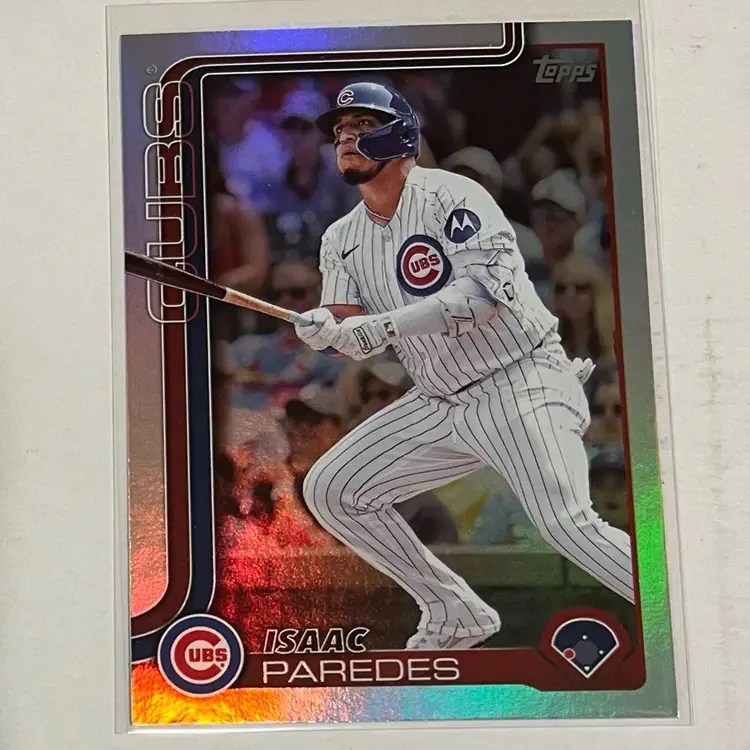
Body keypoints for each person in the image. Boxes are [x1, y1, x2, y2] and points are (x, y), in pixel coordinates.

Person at [293, 81, 634, 651]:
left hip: (519, 378)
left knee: (566, 524)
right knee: (333, 489)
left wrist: (381, 326)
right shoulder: (340, 238)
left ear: (401, 135)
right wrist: (324, 331)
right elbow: (350, 332)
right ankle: (455, 610)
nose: (345, 137)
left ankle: (681, 609)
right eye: (340, 131)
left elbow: (481, 296)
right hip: (439, 398)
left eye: (362, 126)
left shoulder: (452, 195)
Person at [219, 260, 347, 412]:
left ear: (319, 295)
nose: (284, 301)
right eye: (276, 295)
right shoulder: (245, 348)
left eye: (296, 293)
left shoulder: (337, 351)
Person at [261, 85, 361, 265]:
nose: (297, 136)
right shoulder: (274, 177)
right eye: (290, 128)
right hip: (288, 268)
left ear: (323, 133)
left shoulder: (344, 172)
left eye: (305, 128)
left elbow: (357, 234)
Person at [550, 252, 615, 363]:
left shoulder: (615, 345)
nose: (569, 295)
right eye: (561, 288)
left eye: (580, 287)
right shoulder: (549, 346)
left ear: (596, 294)